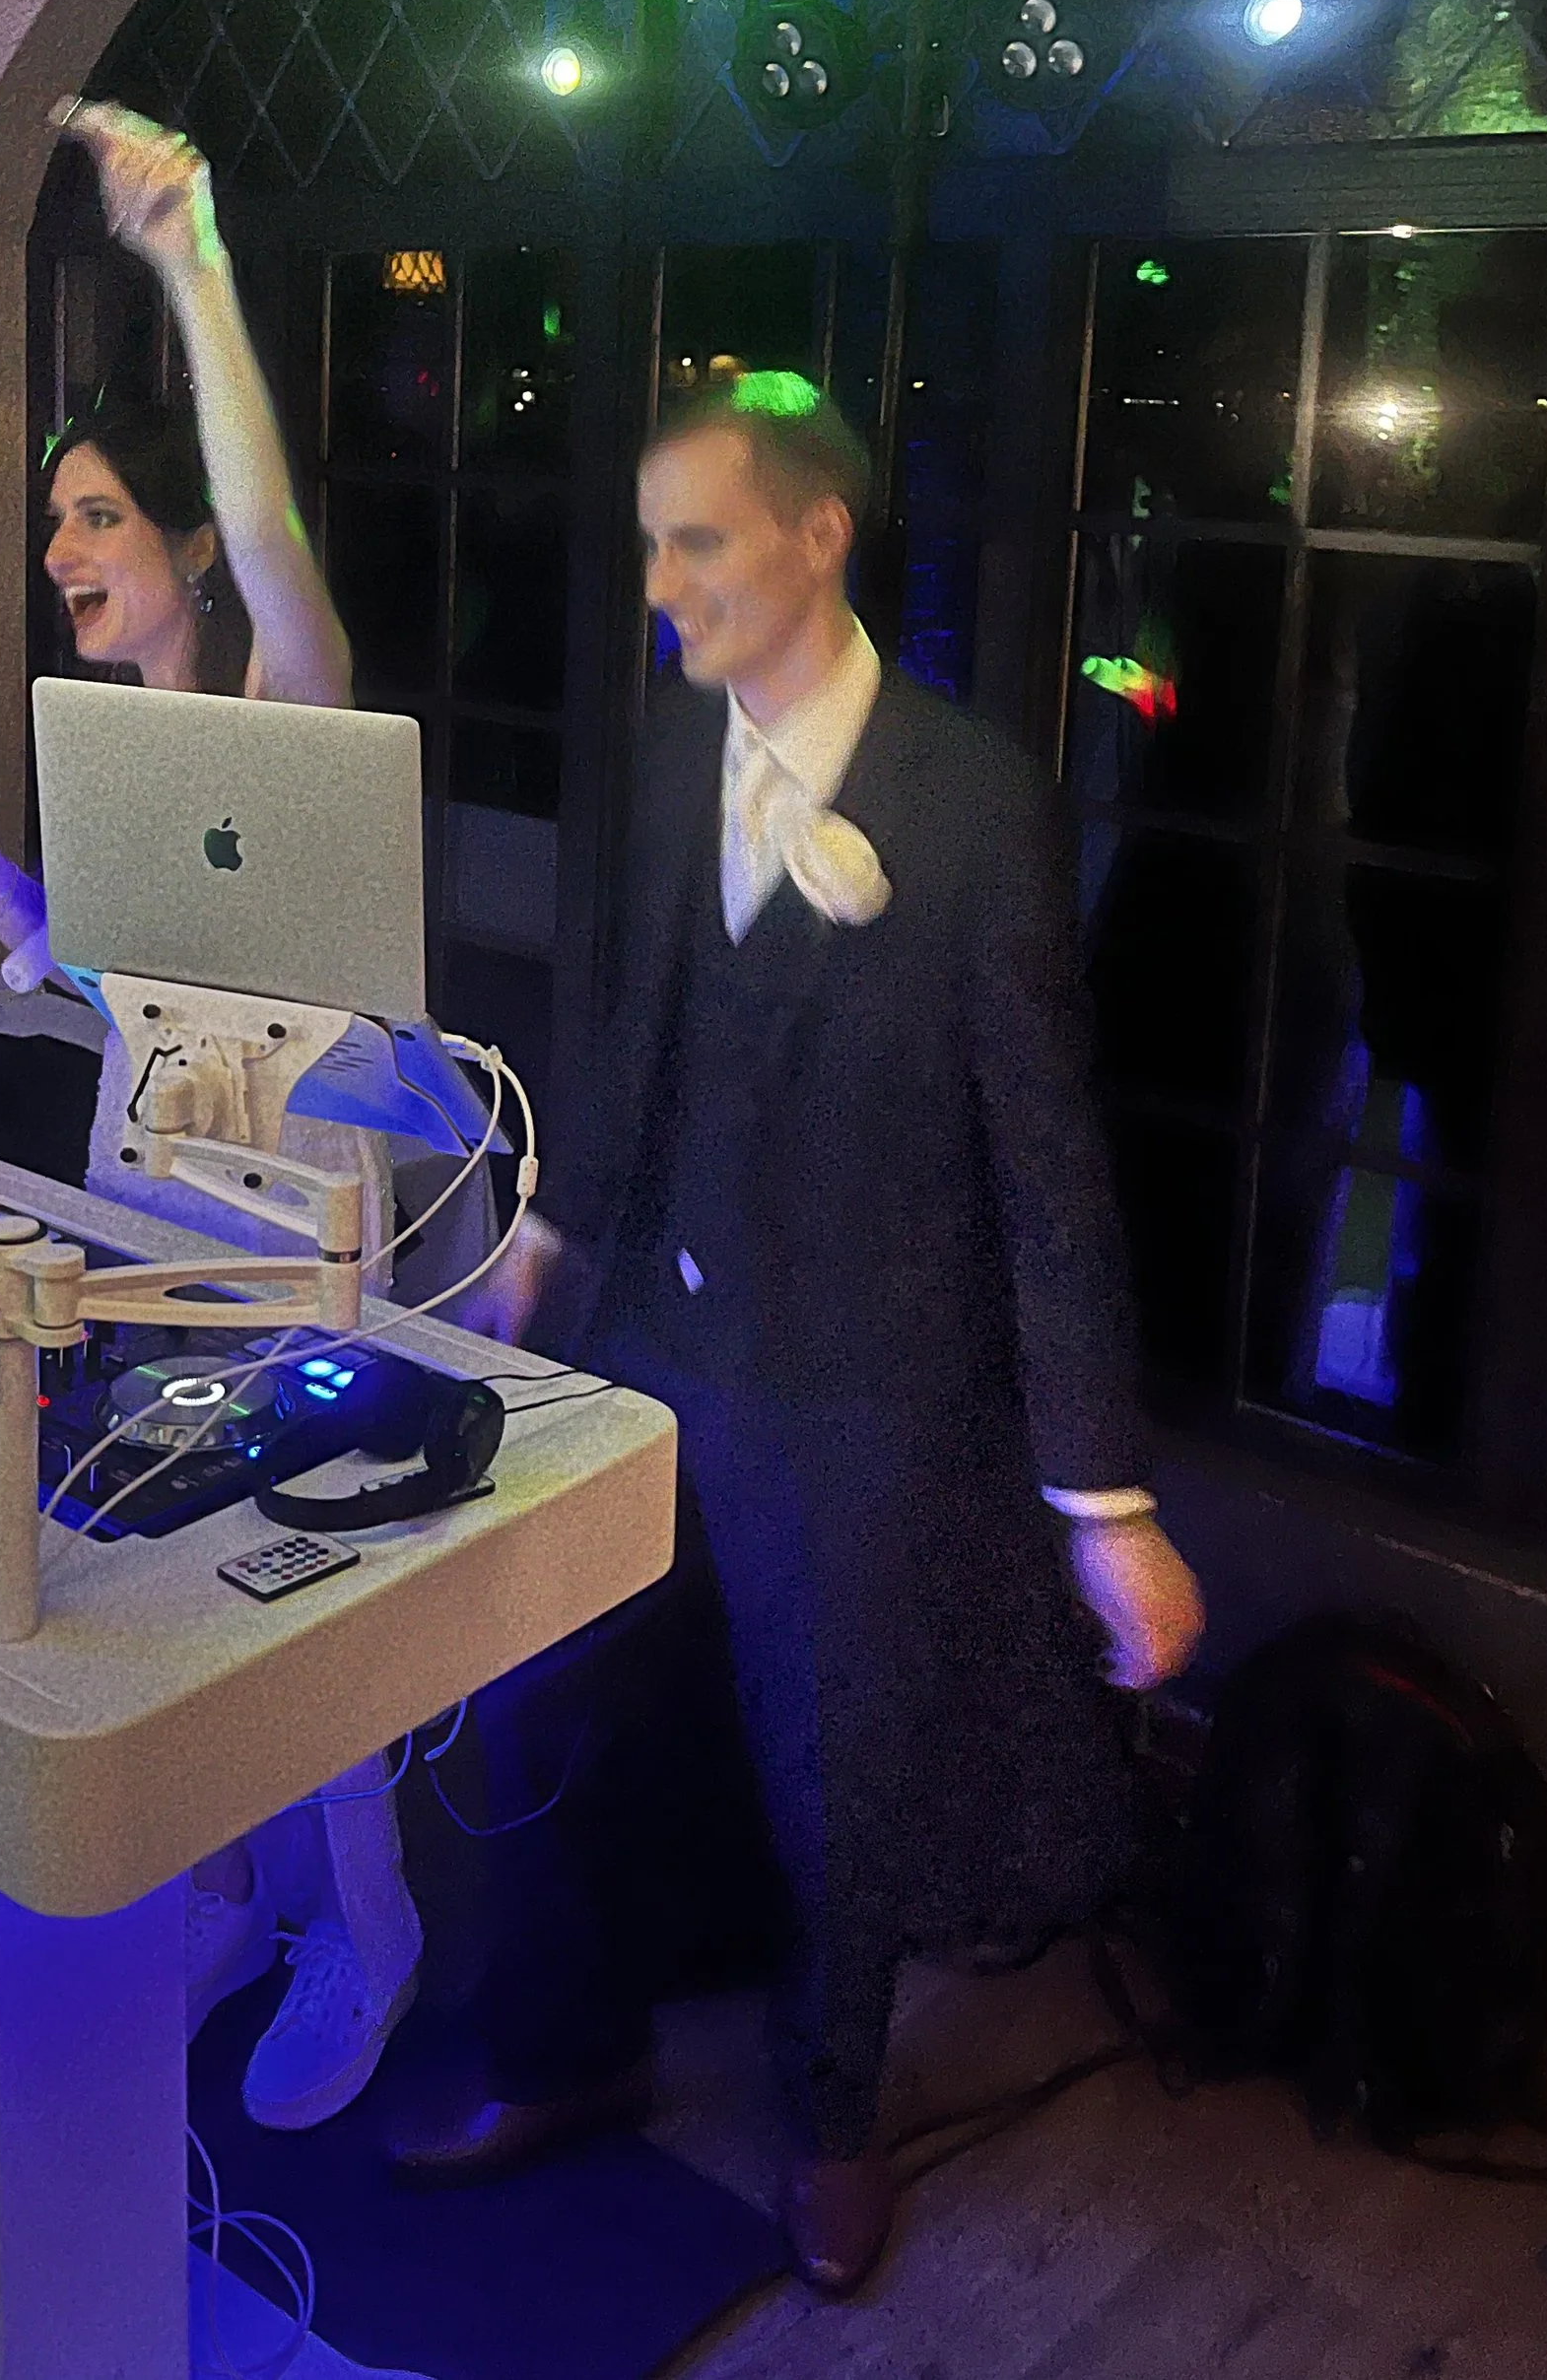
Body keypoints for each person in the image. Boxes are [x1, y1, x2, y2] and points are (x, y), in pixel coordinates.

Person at [391, 373, 1203, 2297]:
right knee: (533, 1696)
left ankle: (830, 2116)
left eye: (696, 538)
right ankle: (558, 2053)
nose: (659, 582)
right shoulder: (680, 759)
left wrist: (1104, 1499)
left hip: (859, 1390)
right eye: (650, 540)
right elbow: (637, 1032)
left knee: (832, 1763)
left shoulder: (970, 798)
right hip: (651, 1345)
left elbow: (1048, 1168)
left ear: (814, 537)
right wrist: (556, 1226)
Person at [0, 103, 421, 2131]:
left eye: (92, 516)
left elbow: (276, 545)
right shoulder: (119, 743)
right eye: (54, 521)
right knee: (170, 1563)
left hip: (294, 1213)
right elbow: (89, 957)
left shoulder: (288, 693)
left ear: (172, 541)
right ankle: (233, 1898)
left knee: (306, 1580)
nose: (61, 550)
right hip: (142, 1192)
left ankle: (370, 1924)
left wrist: (188, 255)